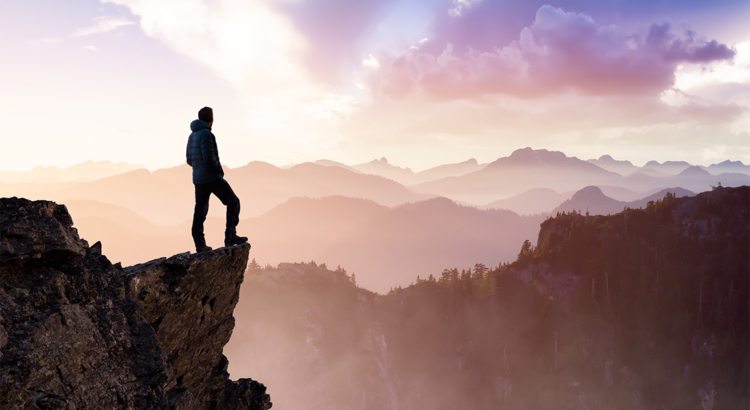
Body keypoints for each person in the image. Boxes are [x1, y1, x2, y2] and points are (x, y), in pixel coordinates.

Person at [186, 106, 248, 252]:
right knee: (233, 202)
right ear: (211, 119)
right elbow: (209, 158)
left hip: (198, 179)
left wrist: (198, 169)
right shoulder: (207, 134)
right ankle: (230, 236)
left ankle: (200, 244)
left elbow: (189, 159)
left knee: (200, 210)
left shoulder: (192, 135)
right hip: (211, 177)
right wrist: (219, 171)